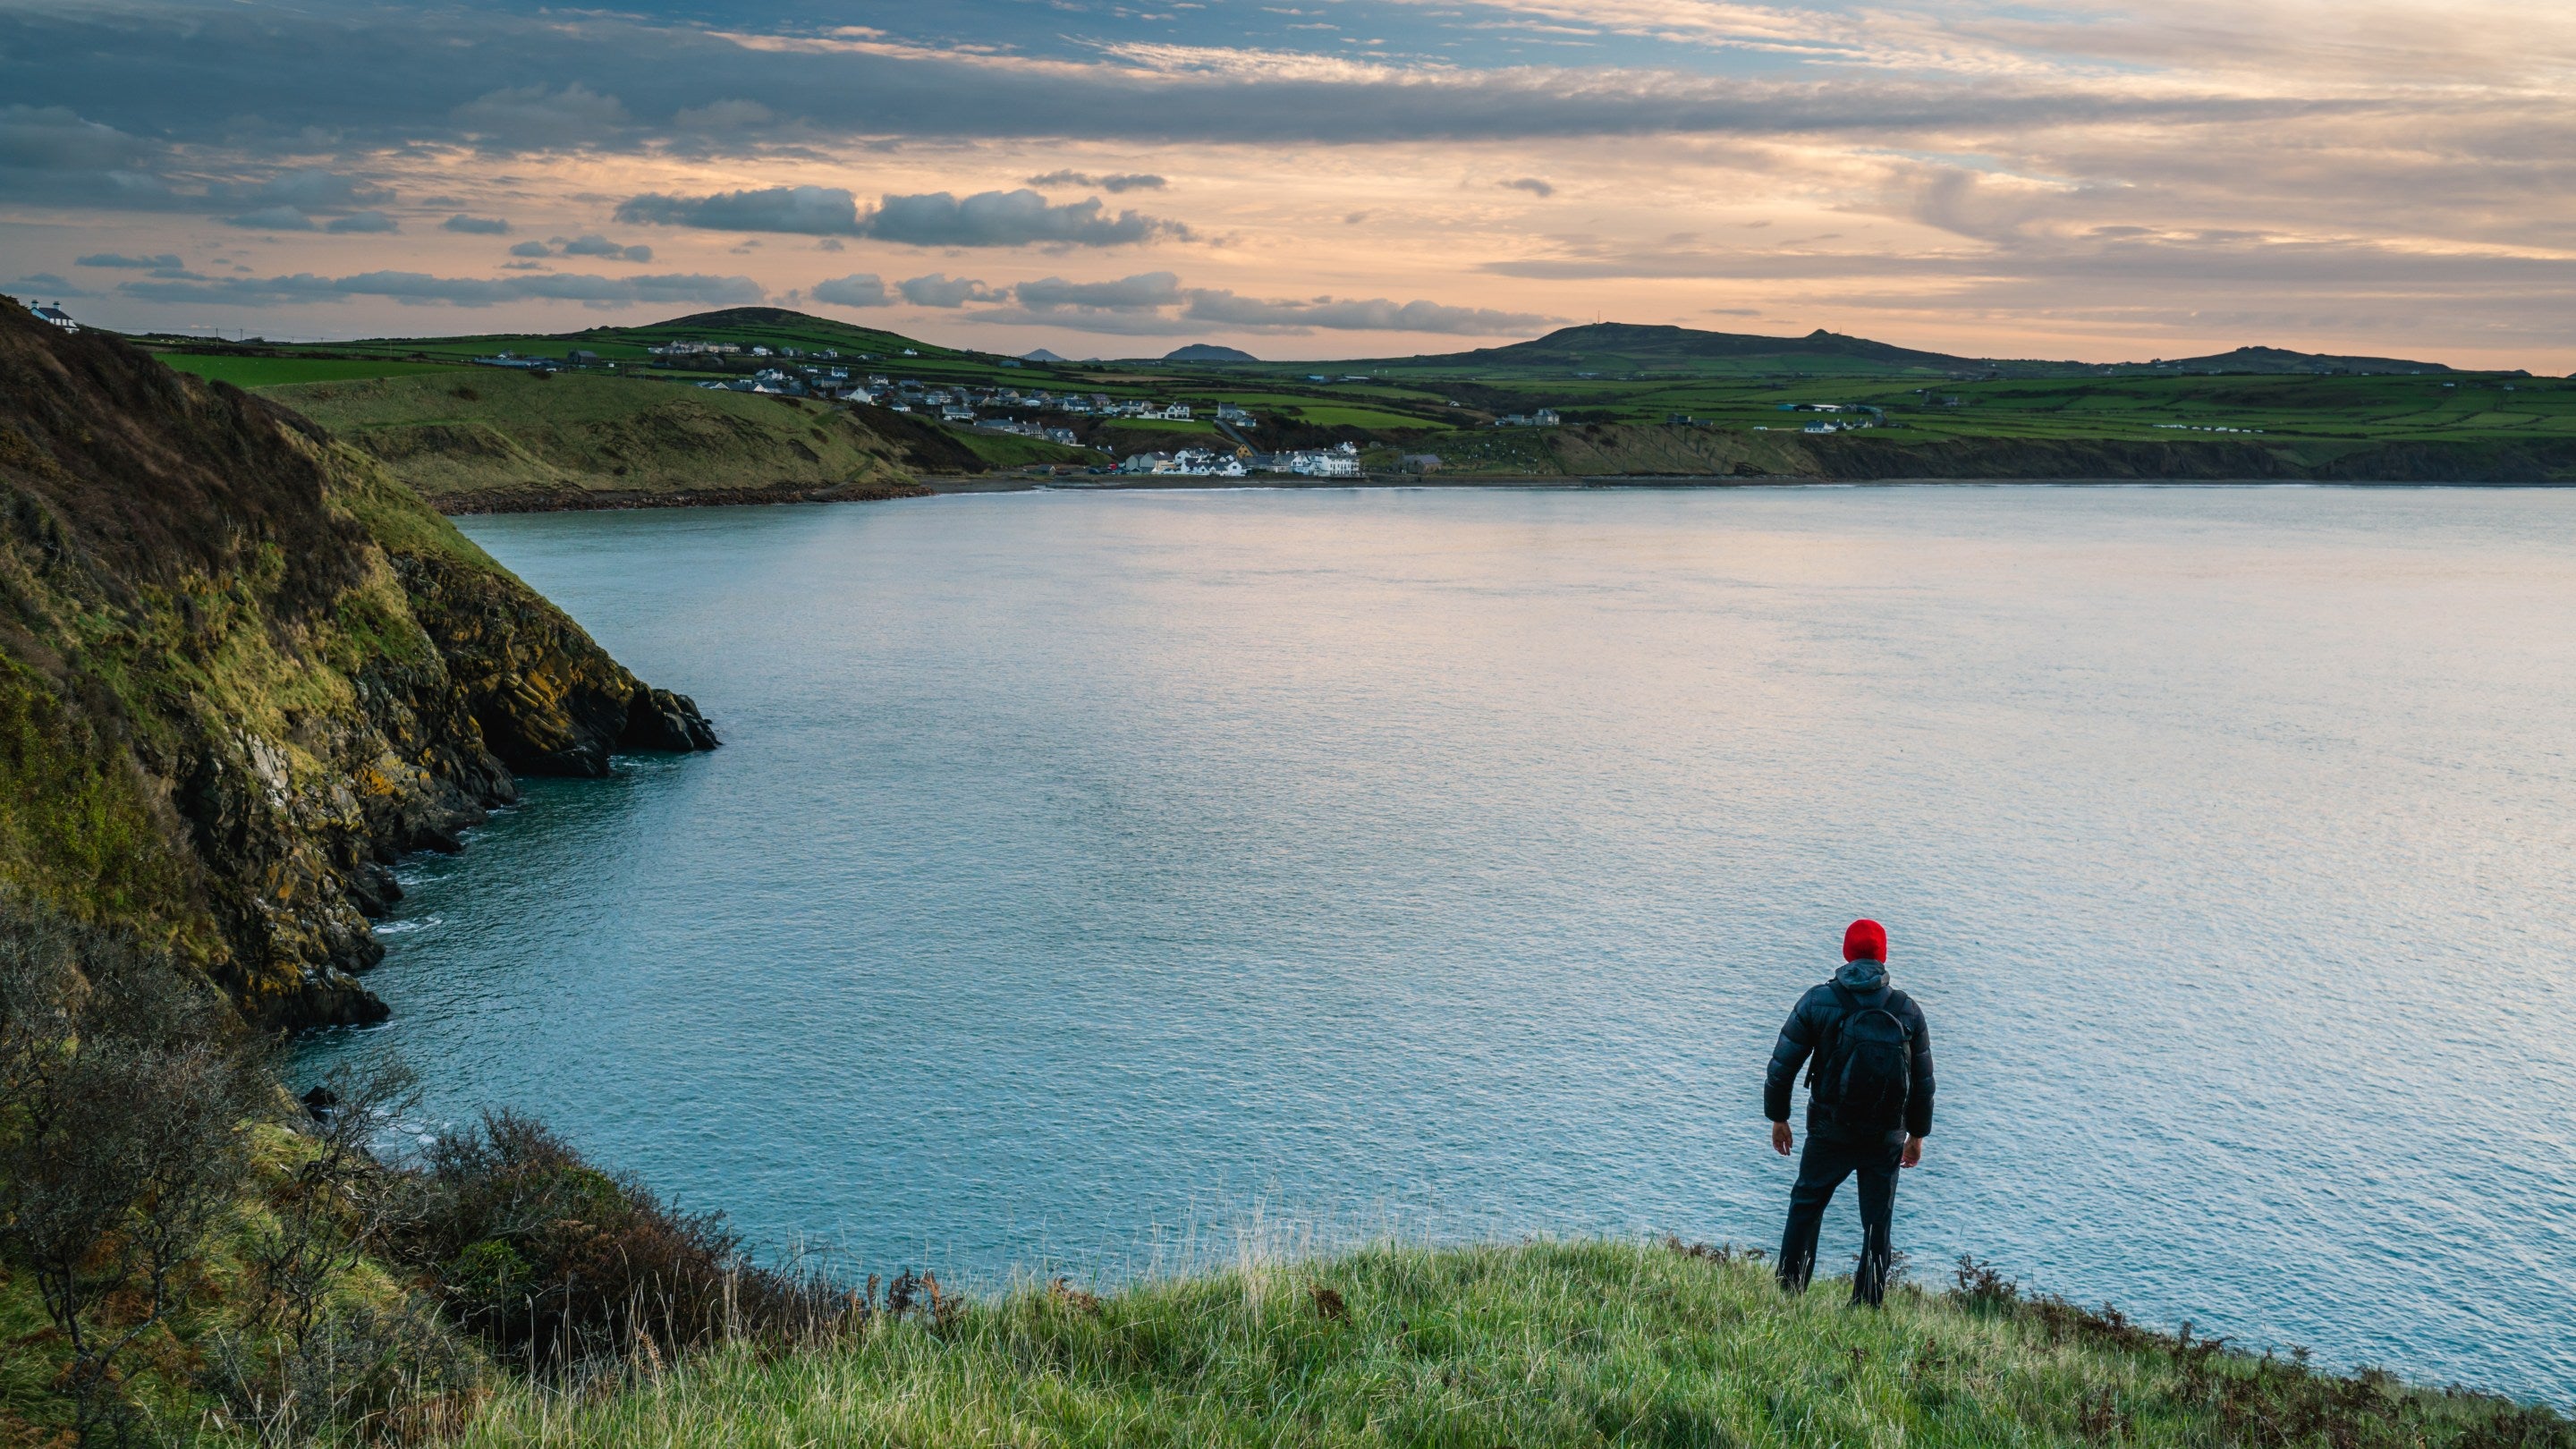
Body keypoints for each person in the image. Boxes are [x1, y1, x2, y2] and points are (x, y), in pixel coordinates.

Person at [1764, 918, 1935, 1306]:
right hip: (1885, 1135)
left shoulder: (1818, 1001)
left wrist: (1779, 1118)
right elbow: (1923, 1083)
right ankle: (1867, 1306)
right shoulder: (1907, 1010)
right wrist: (1916, 1136)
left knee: (1806, 1206)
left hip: (1830, 1129)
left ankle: (1789, 1295)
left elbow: (1781, 1067)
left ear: (1846, 953)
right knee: (1877, 1222)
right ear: (1883, 956)